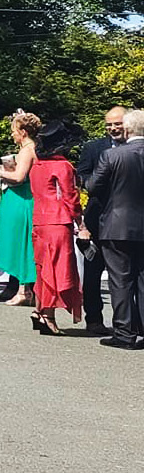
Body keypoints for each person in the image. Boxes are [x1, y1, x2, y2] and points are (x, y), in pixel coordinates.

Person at [86, 109, 144, 350]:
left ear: (128, 129)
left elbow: (91, 186)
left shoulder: (112, 155)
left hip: (116, 223)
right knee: (143, 279)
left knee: (120, 280)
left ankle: (124, 332)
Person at [77, 106, 128, 333]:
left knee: (126, 274)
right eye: (109, 124)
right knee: (93, 271)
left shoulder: (136, 147)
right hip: (97, 216)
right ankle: (94, 319)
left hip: (126, 218)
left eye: (117, 124)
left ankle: (128, 324)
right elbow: (82, 175)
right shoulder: (93, 147)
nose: (113, 128)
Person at [29, 122, 83, 335]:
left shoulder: (37, 166)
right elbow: (71, 197)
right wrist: (80, 221)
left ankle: (40, 310)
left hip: (39, 220)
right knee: (57, 268)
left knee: (43, 267)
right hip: (58, 222)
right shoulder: (63, 167)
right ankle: (48, 315)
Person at [0, 112, 41, 307]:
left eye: (14, 131)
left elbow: (19, 176)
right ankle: (26, 288)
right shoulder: (34, 148)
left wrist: (1, 172)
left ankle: (23, 290)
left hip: (21, 201)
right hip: (23, 199)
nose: (12, 135)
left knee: (20, 244)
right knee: (23, 244)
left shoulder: (26, 150)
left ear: (22, 132)